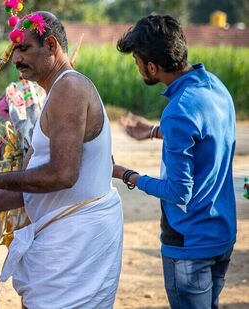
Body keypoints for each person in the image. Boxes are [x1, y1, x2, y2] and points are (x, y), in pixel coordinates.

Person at [0, 11, 123, 308]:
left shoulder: (69, 88)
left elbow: (61, 175)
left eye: (24, 48)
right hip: (67, 241)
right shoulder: (55, 93)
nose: (15, 59)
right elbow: (35, 180)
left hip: (76, 243)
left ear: (52, 46)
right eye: (14, 50)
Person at [114, 15, 236, 309]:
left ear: (152, 67)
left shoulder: (178, 111)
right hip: (221, 234)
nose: (137, 66)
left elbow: (179, 191)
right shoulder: (214, 87)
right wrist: (155, 132)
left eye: (137, 61)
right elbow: (207, 139)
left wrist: (126, 174)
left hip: (188, 245)